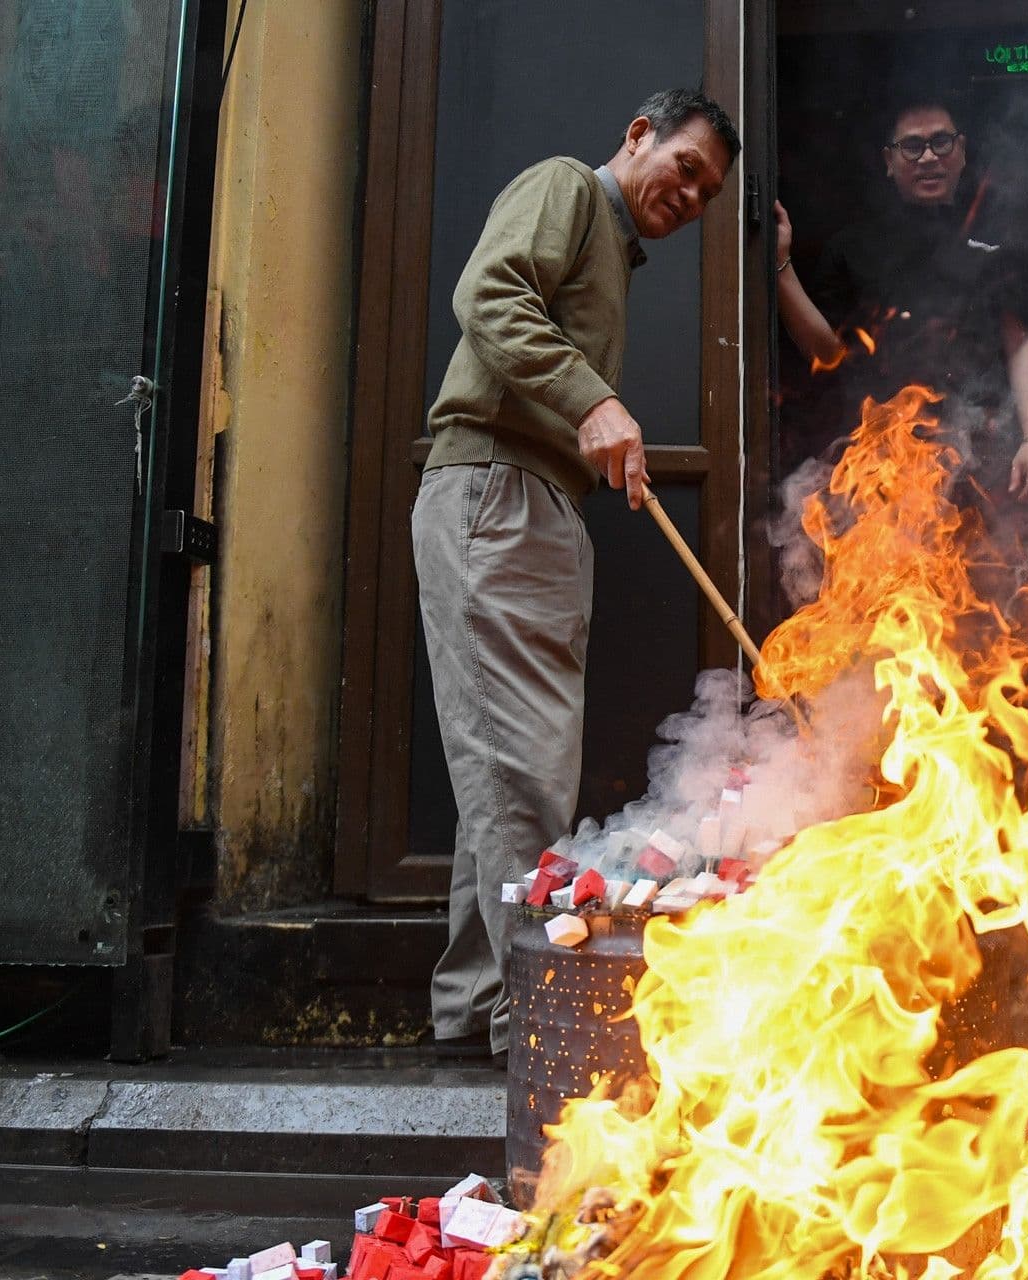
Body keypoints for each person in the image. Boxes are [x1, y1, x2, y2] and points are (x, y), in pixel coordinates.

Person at [413, 90, 739, 1063]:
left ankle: (475, 1004)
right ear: (638, 134)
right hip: (497, 491)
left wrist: (586, 428)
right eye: (685, 166)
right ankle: (538, 1012)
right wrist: (593, 402)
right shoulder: (564, 187)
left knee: (513, 774)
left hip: (535, 501)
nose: (690, 195)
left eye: (707, 192)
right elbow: (490, 294)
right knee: (521, 771)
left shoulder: (612, 243)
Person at [773, 96, 1028, 501]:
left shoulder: (1000, 245)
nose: (928, 157)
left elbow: (1022, 342)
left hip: (981, 460)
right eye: (912, 146)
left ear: (961, 152)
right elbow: (826, 350)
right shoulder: (851, 248)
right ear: (889, 161)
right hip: (878, 463)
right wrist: (780, 266)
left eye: (941, 142)